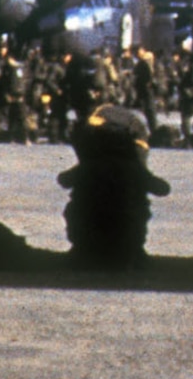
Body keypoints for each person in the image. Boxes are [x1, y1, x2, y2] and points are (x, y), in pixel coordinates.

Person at [56, 103, 169, 266]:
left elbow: (64, 180)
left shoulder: (92, 164)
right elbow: (162, 189)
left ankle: (82, 248)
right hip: (125, 230)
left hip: (92, 229)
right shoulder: (132, 167)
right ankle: (134, 250)